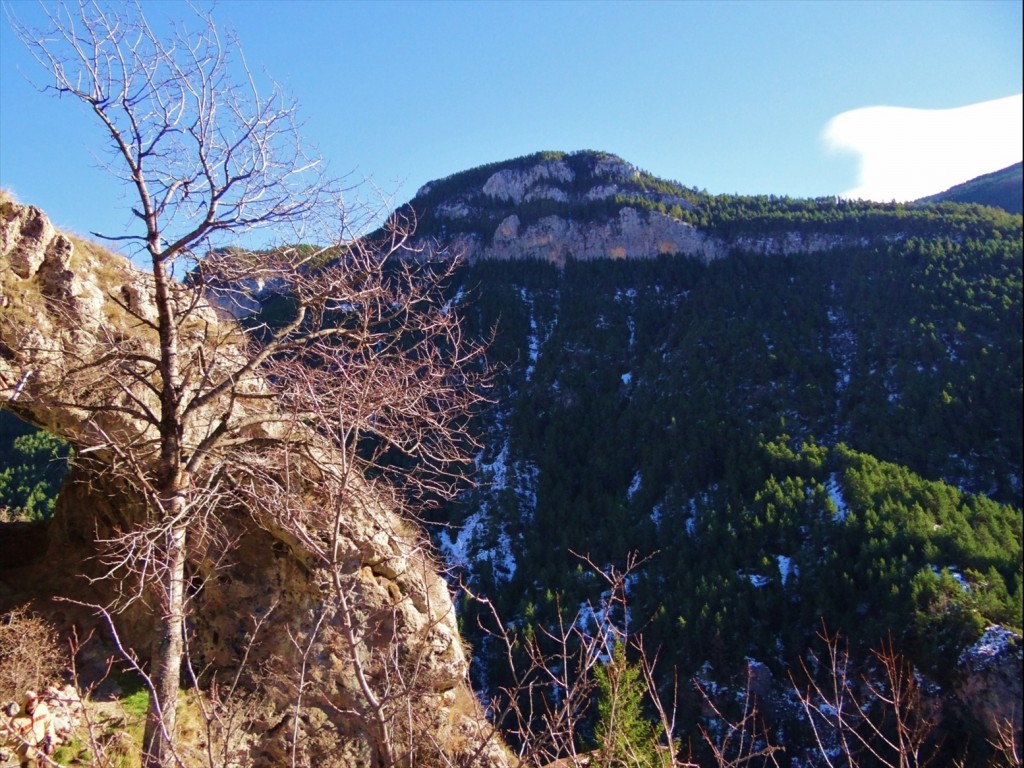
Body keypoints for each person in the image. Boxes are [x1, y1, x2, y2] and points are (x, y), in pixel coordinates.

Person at [10, 691, 53, 768]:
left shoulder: (42, 710)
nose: (33, 702)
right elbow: (12, 740)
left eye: (35, 699)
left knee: (47, 766)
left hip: (42, 748)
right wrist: (27, 740)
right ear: (26, 702)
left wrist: (50, 742)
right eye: (30, 700)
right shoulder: (17, 720)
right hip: (27, 753)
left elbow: (49, 725)